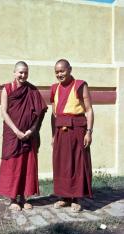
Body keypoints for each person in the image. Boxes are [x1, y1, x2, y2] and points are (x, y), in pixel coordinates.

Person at [0, 61, 47, 211]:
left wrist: (31, 131)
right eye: (20, 72)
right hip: (12, 134)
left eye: (25, 72)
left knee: (27, 165)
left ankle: (25, 197)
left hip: (28, 135)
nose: (23, 75)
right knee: (13, 165)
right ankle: (13, 199)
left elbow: (39, 113)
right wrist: (16, 131)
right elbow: (4, 112)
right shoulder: (7, 89)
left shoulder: (32, 90)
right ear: (14, 73)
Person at [50, 59, 94, 212]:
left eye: (62, 70)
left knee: (77, 163)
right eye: (57, 72)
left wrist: (89, 132)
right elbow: (54, 114)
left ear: (69, 69)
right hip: (60, 132)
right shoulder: (55, 88)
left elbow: (88, 110)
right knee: (61, 164)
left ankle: (76, 198)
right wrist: (53, 135)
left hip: (77, 129)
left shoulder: (80, 85)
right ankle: (64, 196)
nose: (59, 74)